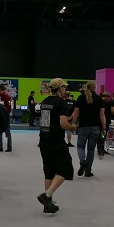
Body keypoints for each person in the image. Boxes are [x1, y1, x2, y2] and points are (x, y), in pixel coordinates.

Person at [36, 78, 78, 213]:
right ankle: (47, 195)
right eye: (64, 87)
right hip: (56, 140)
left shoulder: (45, 102)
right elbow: (63, 124)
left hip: (44, 139)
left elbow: (44, 122)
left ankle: (47, 205)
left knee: (49, 171)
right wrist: (72, 127)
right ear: (60, 88)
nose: (65, 89)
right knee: (66, 169)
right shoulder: (61, 103)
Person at [71, 80, 106, 178]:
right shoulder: (99, 99)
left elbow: (76, 113)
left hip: (83, 126)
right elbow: (102, 115)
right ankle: (88, 171)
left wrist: (73, 124)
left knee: (80, 146)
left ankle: (83, 161)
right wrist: (104, 128)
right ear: (95, 87)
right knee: (91, 149)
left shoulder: (81, 98)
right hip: (95, 127)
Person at [0, 83, 13, 151]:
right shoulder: (7, 95)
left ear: (0, 89)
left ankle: (6, 147)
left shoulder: (3, 96)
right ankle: (7, 147)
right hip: (6, 114)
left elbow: (4, 106)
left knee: (4, 131)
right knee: (6, 131)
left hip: (4, 115)